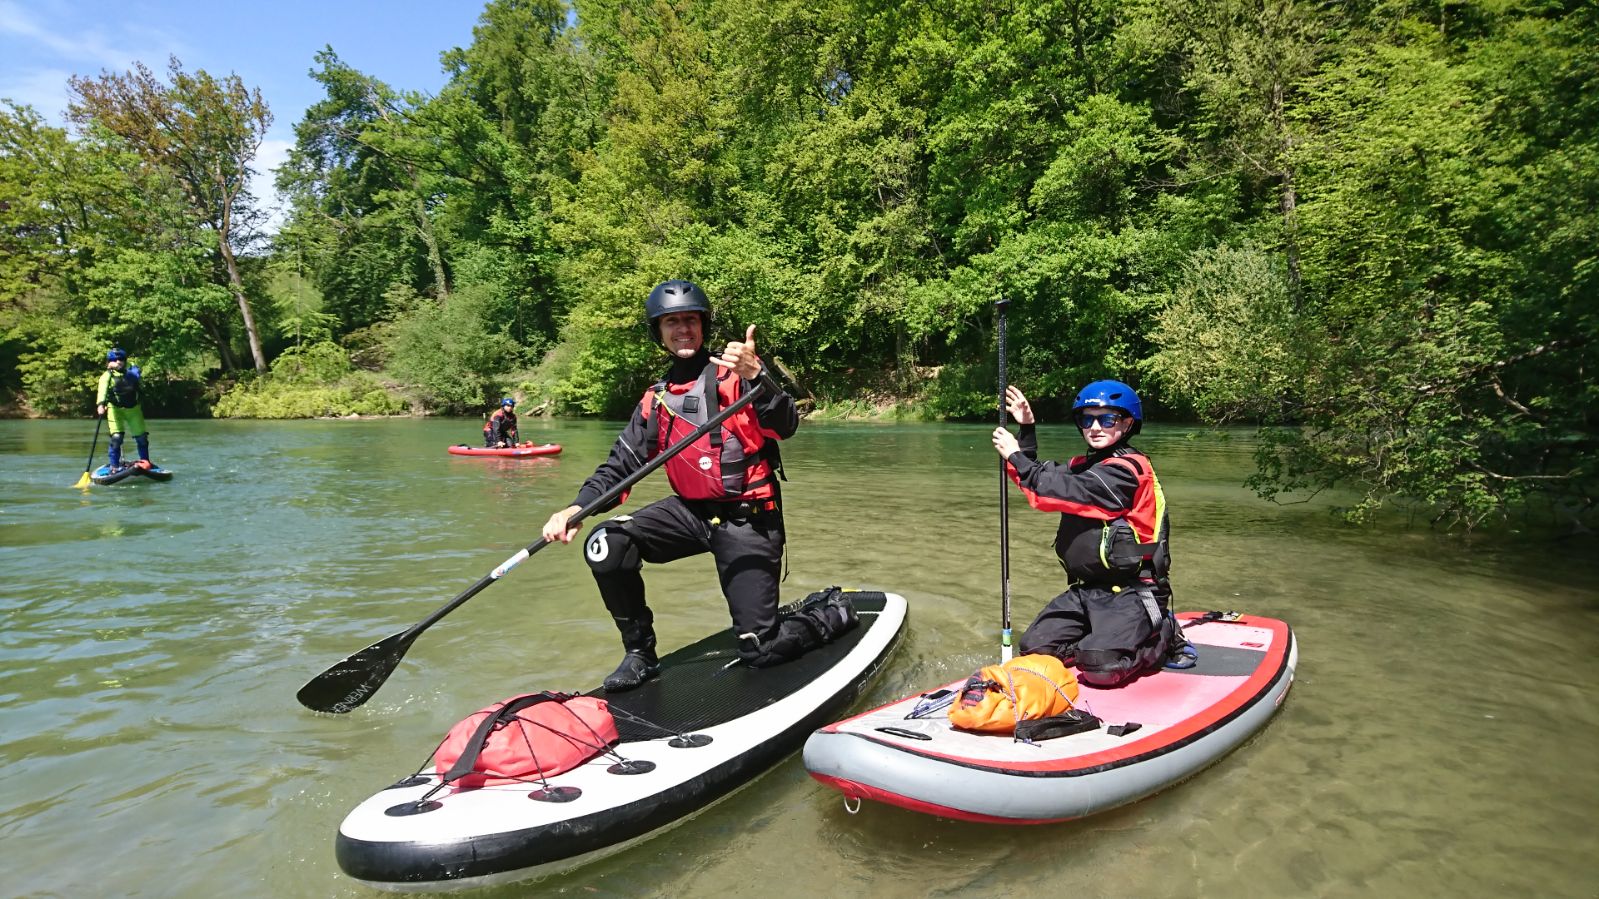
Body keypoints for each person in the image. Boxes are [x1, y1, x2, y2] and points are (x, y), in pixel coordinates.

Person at [541, 280, 801, 692]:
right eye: (672, 322)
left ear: (703, 327)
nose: (683, 329)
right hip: (693, 514)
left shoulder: (735, 378)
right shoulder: (656, 399)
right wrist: (579, 508)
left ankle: (828, 612)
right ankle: (640, 654)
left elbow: (785, 425)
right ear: (658, 332)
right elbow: (620, 465)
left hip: (748, 520)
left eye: (691, 320)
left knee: (761, 650)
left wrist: (758, 375)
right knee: (605, 542)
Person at [990, 379, 1177, 688]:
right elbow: (1037, 488)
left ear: (1128, 423)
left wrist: (1014, 455)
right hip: (1087, 590)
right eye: (1086, 419)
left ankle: (1164, 633)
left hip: (1134, 591)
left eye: (1107, 419)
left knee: (1101, 667)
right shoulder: (1081, 465)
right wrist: (1027, 430)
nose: (1095, 427)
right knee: (1035, 649)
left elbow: (1057, 488)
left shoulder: (1128, 471)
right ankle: (1099, 636)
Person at [96, 347, 152, 471]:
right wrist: (100, 404)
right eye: (114, 359)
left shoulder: (131, 374)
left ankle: (145, 462)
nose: (118, 361)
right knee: (116, 438)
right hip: (115, 411)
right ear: (108, 362)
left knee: (142, 438)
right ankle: (114, 466)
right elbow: (102, 391)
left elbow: (137, 375)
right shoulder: (106, 377)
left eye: (121, 359)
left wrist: (136, 370)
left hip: (134, 410)